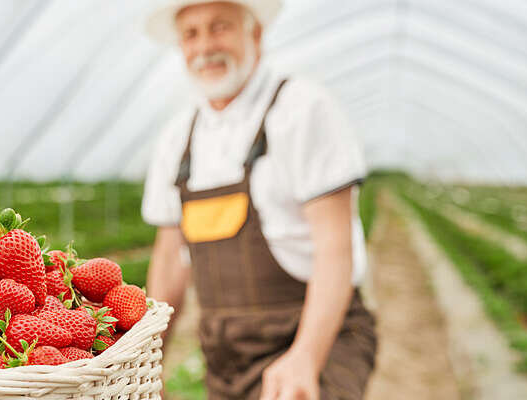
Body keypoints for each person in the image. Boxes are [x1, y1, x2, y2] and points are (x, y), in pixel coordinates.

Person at [142, 1, 377, 399]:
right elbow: (169, 261)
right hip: (225, 354)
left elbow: (335, 249)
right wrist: (150, 360)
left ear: (255, 34)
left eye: (220, 28)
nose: (205, 47)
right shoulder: (177, 138)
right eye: (191, 34)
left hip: (319, 333)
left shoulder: (302, 111)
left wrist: (306, 356)